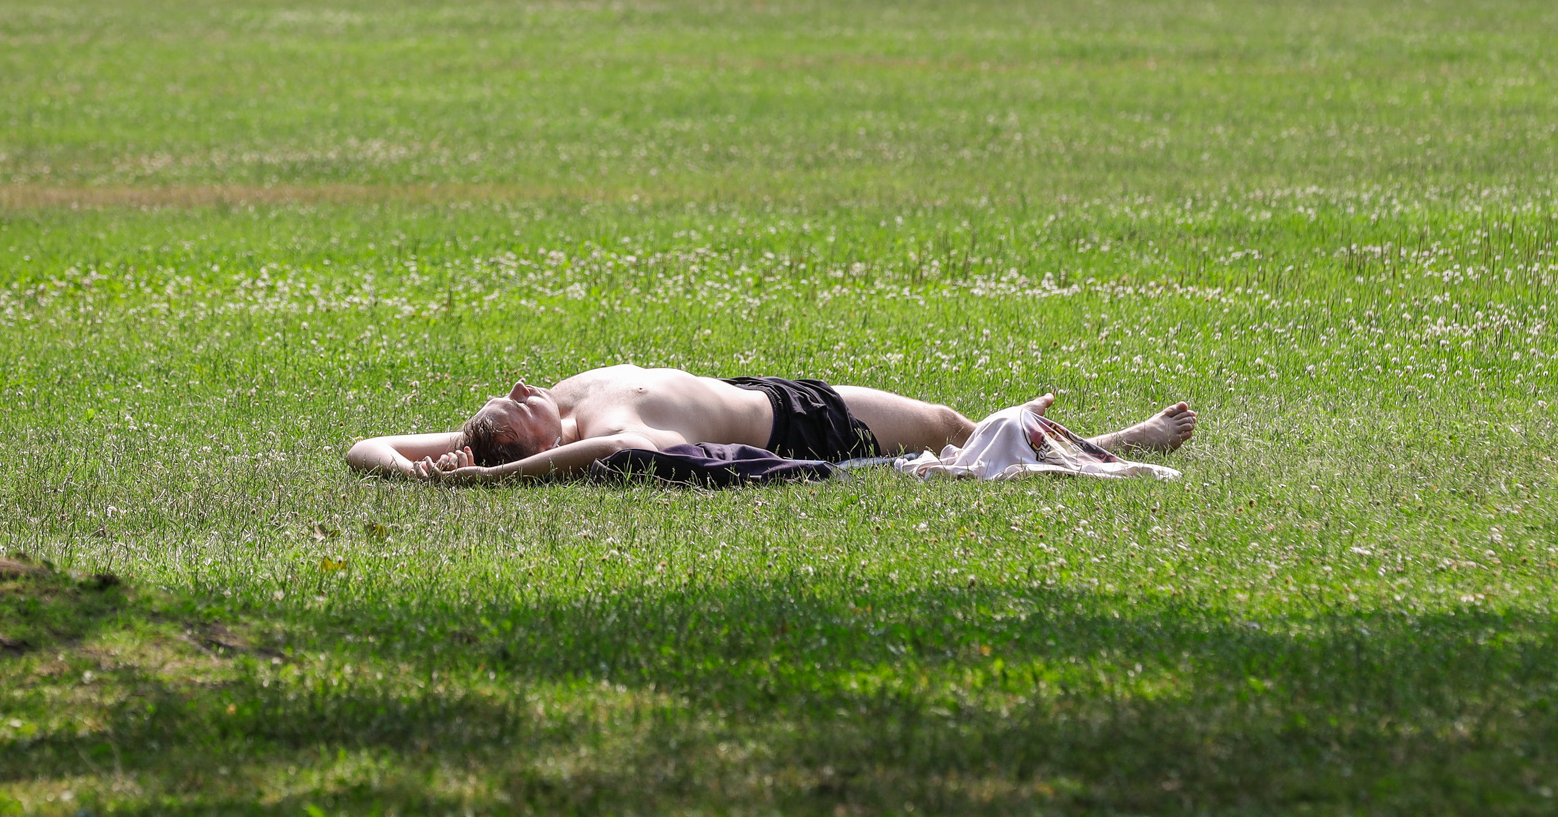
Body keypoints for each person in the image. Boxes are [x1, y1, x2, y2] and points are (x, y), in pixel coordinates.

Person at [343, 364, 1196, 483]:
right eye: (518, 406)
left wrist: (424, 470)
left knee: (955, 423)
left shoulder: (555, 417)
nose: (530, 386)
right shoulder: (590, 434)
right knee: (952, 430)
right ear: (536, 444)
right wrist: (490, 481)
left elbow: (363, 446)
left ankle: (1091, 446)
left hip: (766, 386)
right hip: (799, 424)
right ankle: (1117, 446)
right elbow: (629, 447)